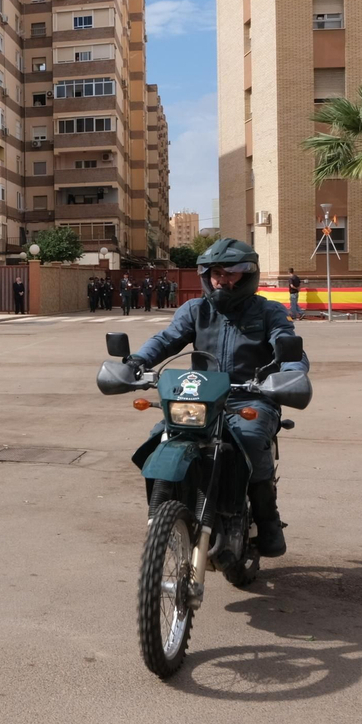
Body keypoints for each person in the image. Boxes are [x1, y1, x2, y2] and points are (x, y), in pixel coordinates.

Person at [124, 239, 310, 558]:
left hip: (250, 396)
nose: (221, 279)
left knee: (251, 440)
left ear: (248, 274)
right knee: (159, 437)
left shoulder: (268, 311)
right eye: (215, 272)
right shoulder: (196, 310)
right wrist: (137, 362)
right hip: (202, 400)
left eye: (231, 273)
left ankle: (268, 521)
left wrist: (291, 372)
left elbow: (287, 344)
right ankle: (170, 512)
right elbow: (167, 340)